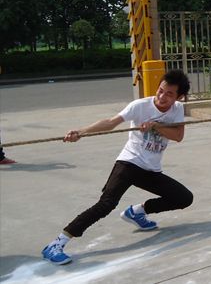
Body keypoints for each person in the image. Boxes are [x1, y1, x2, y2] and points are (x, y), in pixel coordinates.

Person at [41, 70, 194, 265]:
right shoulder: (140, 106)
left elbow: (178, 136)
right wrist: (81, 132)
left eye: (169, 94)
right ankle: (56, 244)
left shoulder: (177, 109)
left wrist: (155, 126)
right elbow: (111, 122)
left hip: (150, 169)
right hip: (129, 163)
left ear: (179, 97)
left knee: (183, 198)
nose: (162, 96)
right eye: (160, 91)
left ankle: (137, 212)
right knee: (106, 204)